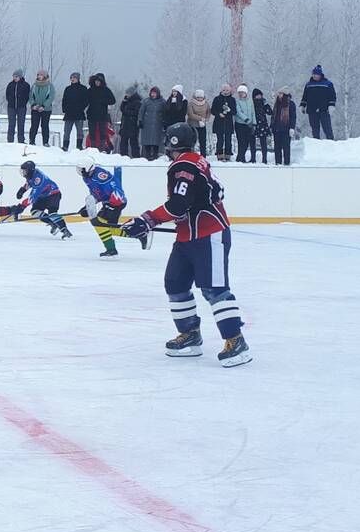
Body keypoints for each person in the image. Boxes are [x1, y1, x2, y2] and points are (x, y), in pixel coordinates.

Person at [121, 123, 251, 367]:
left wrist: (147, 220)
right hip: (187, 236)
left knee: (215, 289)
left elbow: (179, 204)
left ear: (172, 143)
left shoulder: (185, 165)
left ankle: (236, 340)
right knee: (175, 282)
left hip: (209, 234)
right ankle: (190, 335)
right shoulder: (192, 162)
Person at [77, 158, 146, 258]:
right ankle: (139, 234)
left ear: (88, 168)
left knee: (99, 224)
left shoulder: (101, 176)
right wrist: (88, 207)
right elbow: (97, 193)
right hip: (109, 203)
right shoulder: (87, 177)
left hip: (116, 202)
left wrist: (112, 203)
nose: (80, 171)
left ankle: (111, 249)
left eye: (81, 169)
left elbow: (115, 190)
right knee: (109, 229)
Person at [0, 160, 72, 238]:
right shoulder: (32, 174)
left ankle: (65, 230)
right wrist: (22, 190)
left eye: (24, 171)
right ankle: (52, 224)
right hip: (43, 196)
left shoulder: (39, 179)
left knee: (52, 213)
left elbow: (33, 197)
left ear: (29, 171)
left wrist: (22, 206)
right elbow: (29, 182)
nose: (23, 173)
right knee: (35, 211)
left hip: (53, 195)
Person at [301, 65, 336, 139]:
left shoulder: (328, 84)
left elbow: (332, 96)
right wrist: (303, 105)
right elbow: (305, 96)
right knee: (314, 129)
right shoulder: (308, 85)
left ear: (320, 75)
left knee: (327, 128)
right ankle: (316, 143)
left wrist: (331, 105)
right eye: (313, 74)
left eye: (316, 74)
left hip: (324, 110)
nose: (314, 76)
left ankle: (331, 143)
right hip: (312, 110)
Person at [85, 73, 116, 152]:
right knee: (92, 133)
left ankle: (102, 149)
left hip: (102, 115)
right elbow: (85, 101)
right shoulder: (90, 90)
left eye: (99, 81)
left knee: (103, 133)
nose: (97, 83)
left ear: (102, 82)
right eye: (96, 81)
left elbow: (113, 100)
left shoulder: (106, 90)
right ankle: (92, 149)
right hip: (92, 115)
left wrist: (103, 101)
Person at [60, 71, 88, 151]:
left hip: (79, 113)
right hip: (69, 114)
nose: (72, 79)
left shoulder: (83, 88)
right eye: (71, 78)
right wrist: (64, 109)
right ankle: (65, 146)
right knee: (67, 131)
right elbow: (64, 100)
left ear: (78, 79)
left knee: (79, 131)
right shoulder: (68, 89)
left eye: (74, 78)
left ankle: (79, 146)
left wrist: (81, 108)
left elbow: (86, 101)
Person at [209, 84, 236, 161]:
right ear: (221, 90)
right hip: (219, 122)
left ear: (230, 91)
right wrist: (219, 114)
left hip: (228, 123)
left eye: (227, 90)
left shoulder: (232, 100)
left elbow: (234, 112)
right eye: (224, 90)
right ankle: (219, 155)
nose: (225, 92)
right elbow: (213, 110)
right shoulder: (217, 99)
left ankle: (228, 155)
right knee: (220, 140)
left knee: (228, 140)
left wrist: (229, 110)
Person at [28, 70, 55, 146]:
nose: (39, 76)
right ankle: (32, 141)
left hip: (46, 110)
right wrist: (33, 105)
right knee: (34, 125)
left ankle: (45, 142)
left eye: (41, 75)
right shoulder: (34, 85)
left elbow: (51, 97)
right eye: (38, 75)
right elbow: (30, 96)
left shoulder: (50, 86)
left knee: (45, 125)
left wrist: (44, 106)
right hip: (35, 109)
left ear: (45, 76)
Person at [272, 87, 297, 166]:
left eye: (281, 93)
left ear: (285, 94)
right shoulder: (277, 104)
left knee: (286, 147)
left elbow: (293, 116)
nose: (279, 95)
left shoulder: (291, 104)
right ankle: (278, 162)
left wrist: (292, 127)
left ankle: (287, 163)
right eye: (279, 93)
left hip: (286, 129)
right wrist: (272, 126)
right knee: (277, 147)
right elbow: (274, 116)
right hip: (276, 129)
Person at [139, 86, 165, 160]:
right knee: (147, 141)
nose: (153, 94)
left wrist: (164, 121)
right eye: (152, 93)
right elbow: (141, 111)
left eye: (154, 93)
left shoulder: (162, 102)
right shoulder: (146, 101)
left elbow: (165, 112)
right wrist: (140, 120)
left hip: (157, 124)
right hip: (147, 124)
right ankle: (147, 156)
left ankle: (155, 156)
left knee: (156, 142)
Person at [4, 70, 30, 143]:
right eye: (13, 76)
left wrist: (23, 103)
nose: (14, 78)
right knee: (11, 124)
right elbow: (7, 95)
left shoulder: (26, 85)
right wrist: (10, 101)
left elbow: (27, 96)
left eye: (16, 76)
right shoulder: (10, 85)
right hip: (11, 107)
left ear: (20, 77)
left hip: (21, 107)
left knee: (21, 124)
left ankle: (21, 140)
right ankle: (10, 140)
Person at [118, 87, 143, 158]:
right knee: (123, 142)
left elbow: (136, 112)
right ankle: (123, 156)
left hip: (133, 125)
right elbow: (122, 109)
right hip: (125, 124)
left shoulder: (137, 101)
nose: (127, 95)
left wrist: (126, 112)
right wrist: (123, 102)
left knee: (134, 143)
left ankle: (136, 157)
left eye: (128, 93)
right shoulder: (127, 100)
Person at [232, 86, 255, 163]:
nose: (241, 94)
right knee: (241, 142)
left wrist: (254, 122)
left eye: (242, 92)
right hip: (240, 124)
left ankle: (240, 157)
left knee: (246, 142)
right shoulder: (237, 101)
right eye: (239, 93)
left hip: (249, 125)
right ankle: (241, 158)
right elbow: (238, 112)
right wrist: (246, 119)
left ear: (246, 93)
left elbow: (253, 112)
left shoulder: (250, 102)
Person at [249, 88, 271, 164]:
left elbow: (270, 112)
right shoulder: (251, 103)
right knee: (252, 142)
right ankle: (253, 158)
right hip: (254, 123)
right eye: (257, 95)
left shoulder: (263, 103)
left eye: (260, 95)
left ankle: (264, 159)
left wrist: (266, 104)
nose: (259, 97)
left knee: (263, 142)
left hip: (262, 124)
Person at [186, 88, 210, 154]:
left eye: (201, 97)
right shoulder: (191, 103)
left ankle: (203, 155)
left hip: (202, 125)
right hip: (193, 125)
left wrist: (206, 119)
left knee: (203, 141)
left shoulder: (206, 103)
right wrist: (200, 118)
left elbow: (208, 112)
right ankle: (191, 154)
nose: (200, 99)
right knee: (192, 141)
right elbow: (191, 114)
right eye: (198, 97)